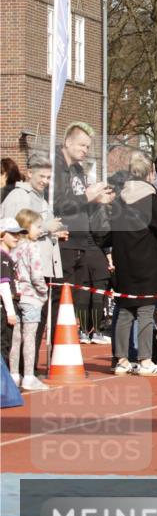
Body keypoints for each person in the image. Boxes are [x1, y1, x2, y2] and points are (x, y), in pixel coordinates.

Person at [109, 151, 157, 376]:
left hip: (124, 261)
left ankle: (121, 359)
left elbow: (106, 234)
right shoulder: (151, 200)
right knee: (146, 310)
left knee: (125, 310)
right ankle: (145, 360)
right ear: (149, 174)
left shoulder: (118, 200)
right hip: (148, 260)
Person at [1, 154, 65, 370]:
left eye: (49, 177)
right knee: (25, 326)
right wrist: (47, 227)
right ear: (29, 173)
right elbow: (13, 230)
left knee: (36, 322)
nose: (46, 181)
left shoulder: (39, 197)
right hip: (26, 272)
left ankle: (28, 366)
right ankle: (20, 369)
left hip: (40, 265)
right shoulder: (20, 197)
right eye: (42, 176)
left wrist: (54, 232)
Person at [53, 122, 114, 345]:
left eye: (88, 147)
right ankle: (58, 342)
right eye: (82, 145)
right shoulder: (56, 168)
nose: (85, 151)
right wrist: (87, 197)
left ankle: (75, 336)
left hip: (81, 242)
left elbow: (80, 204)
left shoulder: (78, 170)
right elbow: (59, 204)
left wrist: (97, 201)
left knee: (78, 293)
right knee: (61, 298)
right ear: (68, 142)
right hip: (64, 242)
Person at [9, 209, 49, 391]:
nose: (40, 230)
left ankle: (14, 374)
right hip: (31, 296)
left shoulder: (13, 247)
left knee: (16, 339)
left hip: (16, 295)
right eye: (38, 226)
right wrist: (43, 291)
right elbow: (36, 273)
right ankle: (29, 376)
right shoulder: (32, 247)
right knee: (30, 338)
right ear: (27, 227)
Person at [0, 218, 20, 366]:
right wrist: (10, 311)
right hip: (3, 309)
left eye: (18, 234)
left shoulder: (7, 257)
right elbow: (3, 285)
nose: (16, 237)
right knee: (3, 346)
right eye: (12, 233)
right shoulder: (3, 257)